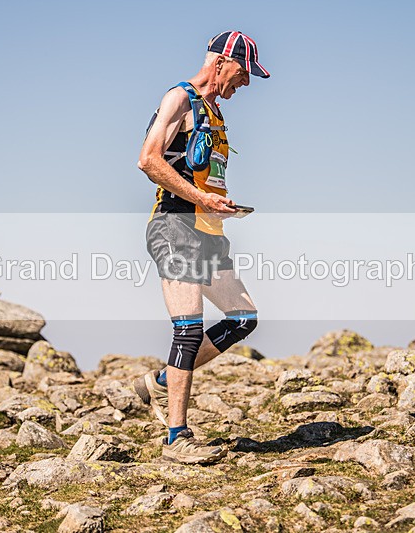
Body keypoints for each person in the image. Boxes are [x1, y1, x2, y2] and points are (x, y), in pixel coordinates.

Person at [133, 31, 270, 464]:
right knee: (188, 329)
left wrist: (218, 201)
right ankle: (177, 437)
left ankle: (159, 381)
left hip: (208, 229)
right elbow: (149, 160)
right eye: (244, 73)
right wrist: (199, 199)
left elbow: (202, 175)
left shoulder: (214, 111)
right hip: (175, 225)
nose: (245, 84)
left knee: (244, 317)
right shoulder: (179, 98)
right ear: (221, 63)